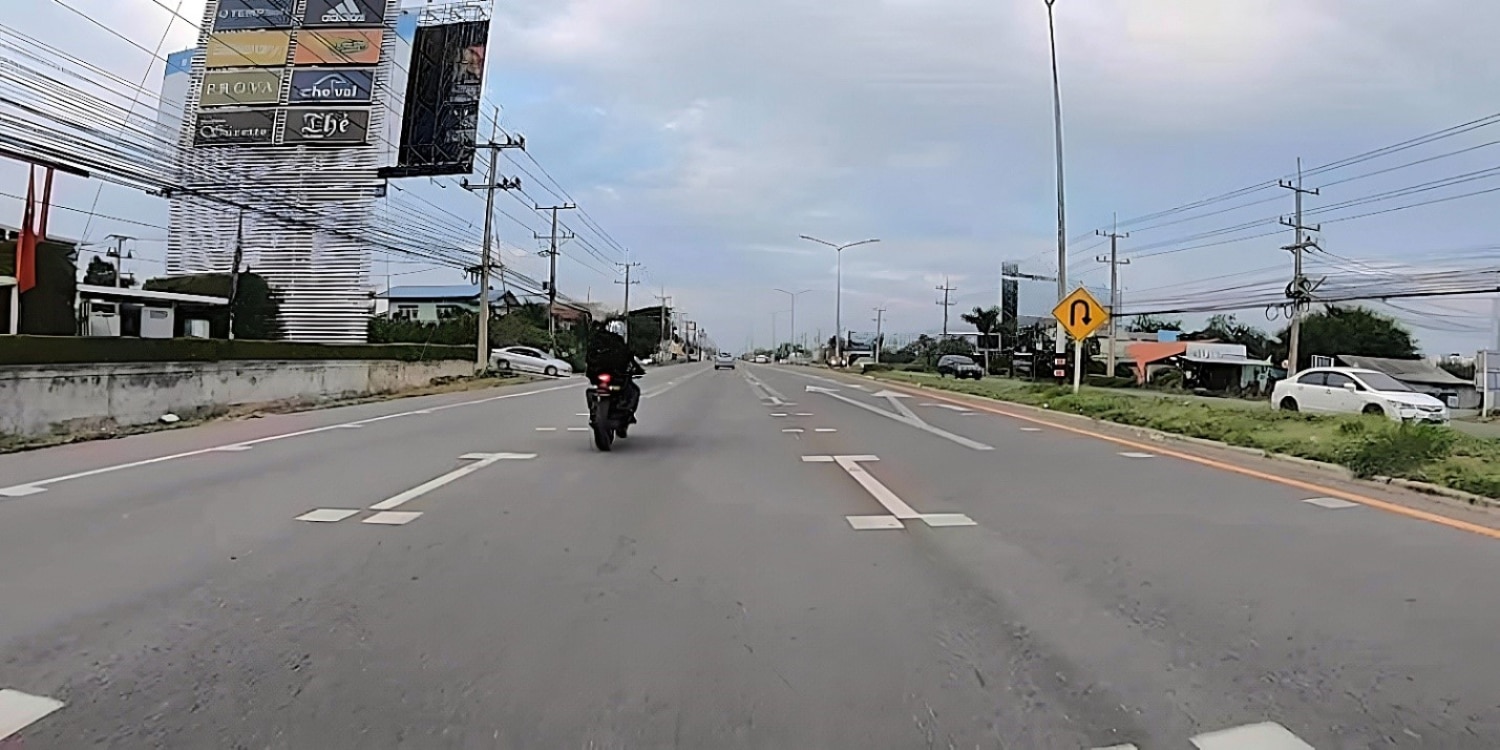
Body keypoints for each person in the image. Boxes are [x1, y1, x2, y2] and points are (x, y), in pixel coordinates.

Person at [586, 319, 645, 423]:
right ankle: (629, 413)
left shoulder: (596, 342)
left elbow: (588, 358)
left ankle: (594, 410)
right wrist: (638, 370)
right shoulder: (620, 345)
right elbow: (630, 359)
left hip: (598, 375)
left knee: (592, 391)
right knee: (634, 391)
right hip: (617, 377)